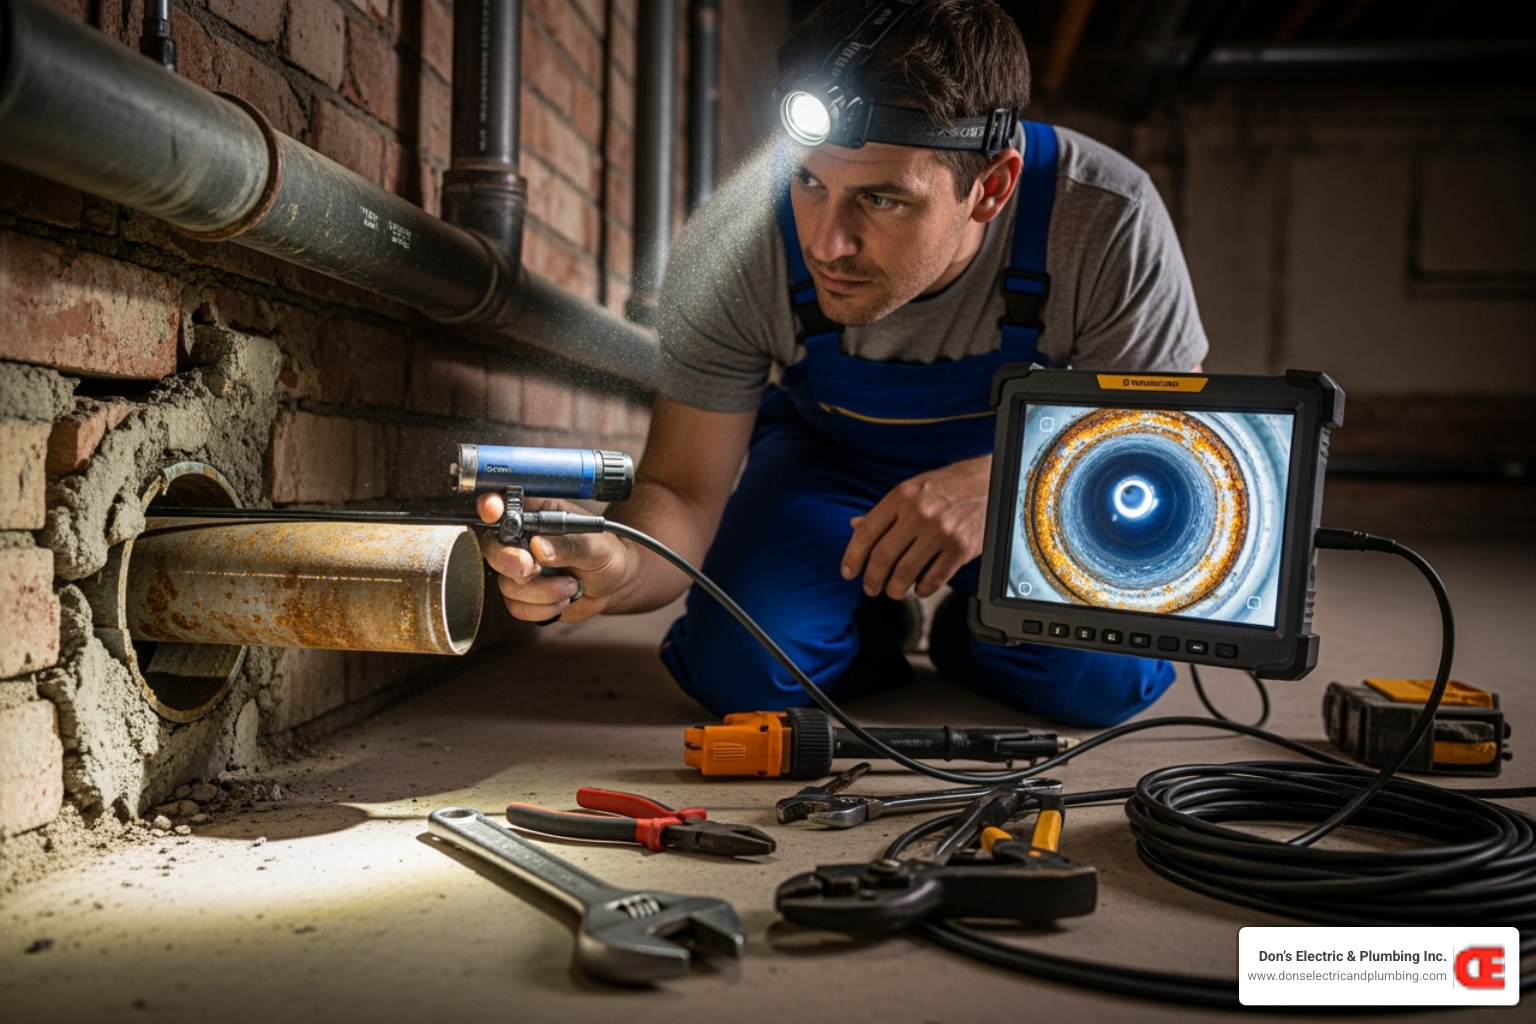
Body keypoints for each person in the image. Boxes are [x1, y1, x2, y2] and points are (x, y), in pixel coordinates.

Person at [479, 0, 1209, 727]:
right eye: (809, 183)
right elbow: (685, 489)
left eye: (882, 200)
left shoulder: (1106, 220)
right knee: (743, 669)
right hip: (830, 466)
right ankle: (870, 630)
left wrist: (1017, 482)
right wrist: (621, 563)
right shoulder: (735, 244)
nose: (828, 242)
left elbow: (1165, 454)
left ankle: (981, 628)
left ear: (991, 187)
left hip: (1046, 489)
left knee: (1100, 675)